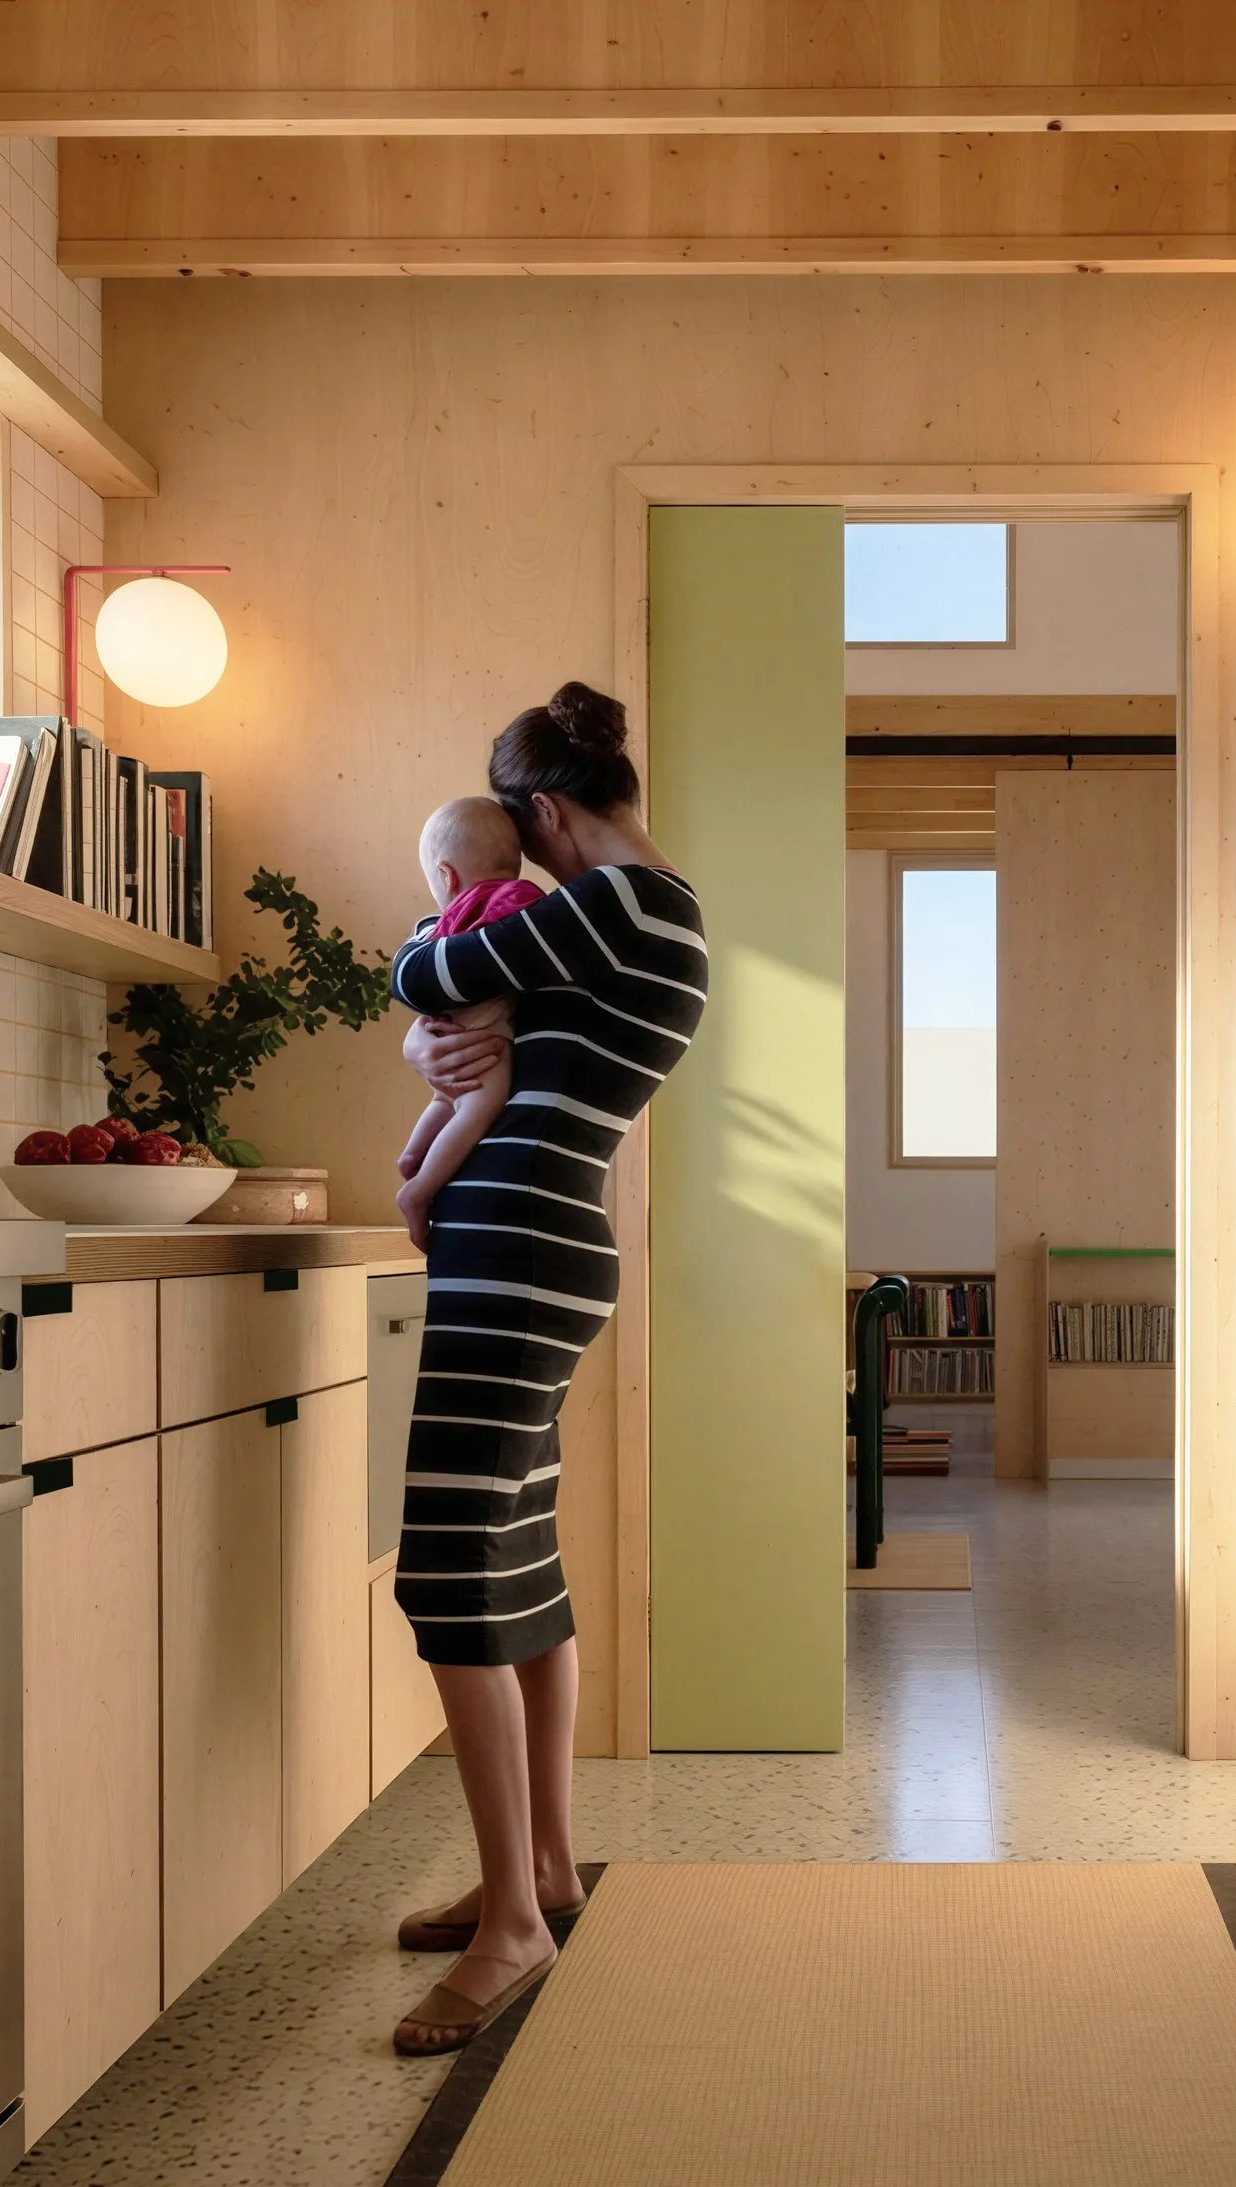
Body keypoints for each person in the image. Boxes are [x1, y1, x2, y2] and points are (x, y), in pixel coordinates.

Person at [386, 682, 706, 2055]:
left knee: (449, 1568)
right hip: (530, 1243)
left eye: (527, 848)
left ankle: (515, 1926)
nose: (522, 876)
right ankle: (547, 1875)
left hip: (517, 1249)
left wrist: (437, 1005)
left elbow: (423, 976)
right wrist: (453, 1041)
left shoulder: (631, 904)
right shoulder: (623, 920)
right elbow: (456, 1015)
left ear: (550, 814)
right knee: (517, 1560)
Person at [392, 797, 545, 1251]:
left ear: (446, 875)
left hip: (445, 1030)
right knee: (483, 1101)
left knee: (445, 1098)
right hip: (485, 1034)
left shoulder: (440, 925)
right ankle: (418, 1190)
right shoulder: (518, 898)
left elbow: (412, 963)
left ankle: (413, 1156)